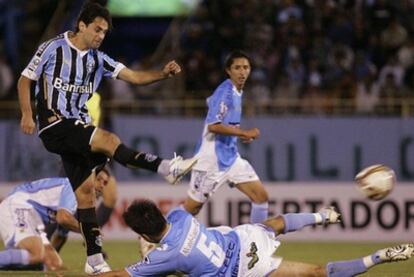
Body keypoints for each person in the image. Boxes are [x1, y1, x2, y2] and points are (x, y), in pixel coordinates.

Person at [17, 2, 197, 274]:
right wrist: (27, 114)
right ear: (81, 25)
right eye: (97, 29)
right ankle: (166, 167)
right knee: (110, 141)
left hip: (74, 131)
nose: (101, 36)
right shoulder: (53, 47)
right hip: (54, 125)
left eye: (104, 32)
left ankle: (94, 261)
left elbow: (134, 77)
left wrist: (161, 73)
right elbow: (24, 79)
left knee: (86, 196)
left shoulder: (98, 59)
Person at [98, 199, 414, 277]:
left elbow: (118, 276)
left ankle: (377, 257)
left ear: (142, 232)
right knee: (274, 224)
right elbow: (192, 201)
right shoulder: (179, 215)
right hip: (242, 240)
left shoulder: (166, 257)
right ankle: (323, 216)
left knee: (316, 273)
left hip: (244, 269)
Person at [183, 50, 269, 224]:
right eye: (237, 68)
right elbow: (213, 126)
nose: (242, 72)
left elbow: (212, 103)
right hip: (211, 160)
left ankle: (256, 247)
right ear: (228, 71)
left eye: (246, 67)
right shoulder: (226, 92)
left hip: (231, 158)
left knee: (261, 197)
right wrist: (243, 132)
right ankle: (153, 236)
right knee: (191, 209)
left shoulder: (236, 91)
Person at [0, 171, 107, 271]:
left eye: (105, 182)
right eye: (98, 179)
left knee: (53, 263)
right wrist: (88, 232)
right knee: (36, 254)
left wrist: (50, 255)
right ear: (89, 178)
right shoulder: (74, 186)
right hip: (19, 206)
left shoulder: (76, 202)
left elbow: (61, 233)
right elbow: (63, 218)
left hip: (32, 217)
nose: (102, 185)